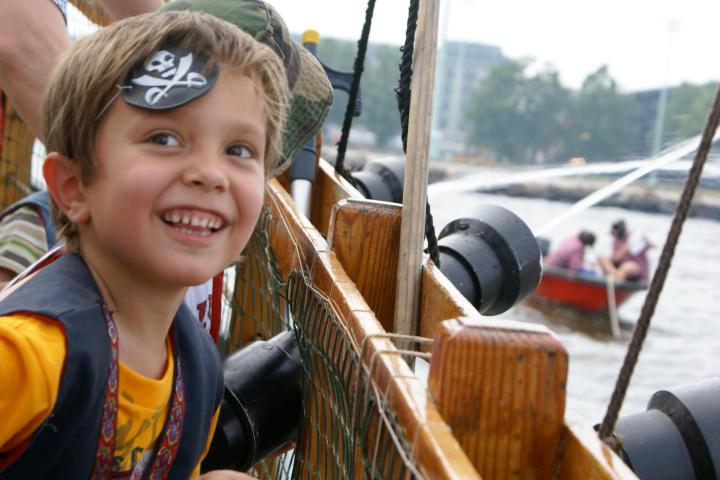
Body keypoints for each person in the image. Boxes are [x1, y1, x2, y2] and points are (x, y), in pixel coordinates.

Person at [0, 10, 291, 478]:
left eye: (238, 150)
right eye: (164, 138)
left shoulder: (196, 370)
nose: (210, 173)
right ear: (74, 186)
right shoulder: (28, 355)